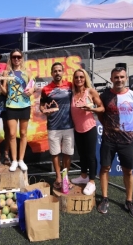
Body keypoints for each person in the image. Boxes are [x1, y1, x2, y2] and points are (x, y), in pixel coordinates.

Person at [97, 66, 133, 219]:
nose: (119, 80)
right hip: (108, 139)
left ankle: (129, 201)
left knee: (128, 171)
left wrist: (126, 129)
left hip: (127, 140)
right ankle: (104, 198)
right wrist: (110, 128)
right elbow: (101, 116)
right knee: (105, 168)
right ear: (111, 79)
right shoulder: (104, 96)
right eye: (116, 77)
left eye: (122, 77)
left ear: (126, 78)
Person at [39, 62, 74, 190]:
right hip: (53, 126)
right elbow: (41, 105)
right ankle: (58, 177)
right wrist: (44, 110)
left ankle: (66, 177)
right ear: (51, 73)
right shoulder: (46, 89)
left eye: (59, 70)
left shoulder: (70, 86)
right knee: (55, 153)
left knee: (67, 153)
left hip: (69, 125)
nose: (57, 73)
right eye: (55, 71)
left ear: (63, 72)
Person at [70, 68, 104, 195]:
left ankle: (92, 181)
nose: (79, 79)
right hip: (77, 129)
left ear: (85, 79)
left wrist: (92, 109)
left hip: (89, 128)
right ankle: (83, 176)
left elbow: (102, 108)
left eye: (81, 77)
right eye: (76, 77)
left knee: (90, 156)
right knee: (82, 155)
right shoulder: (72, 94)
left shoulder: (91, 91)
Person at [0, 49, 34, 172]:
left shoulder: (27, 72)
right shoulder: (6, 72)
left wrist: (31, 91)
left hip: (24, 105)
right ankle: (14, 160)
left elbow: (32, 87)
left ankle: (21, 159)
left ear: (22, 58)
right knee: (12, 134)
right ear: (11, 58)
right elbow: (4, 92)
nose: (16, 59)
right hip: (11, 106)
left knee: (23, 133)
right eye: (14, 57)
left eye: (19, 57)